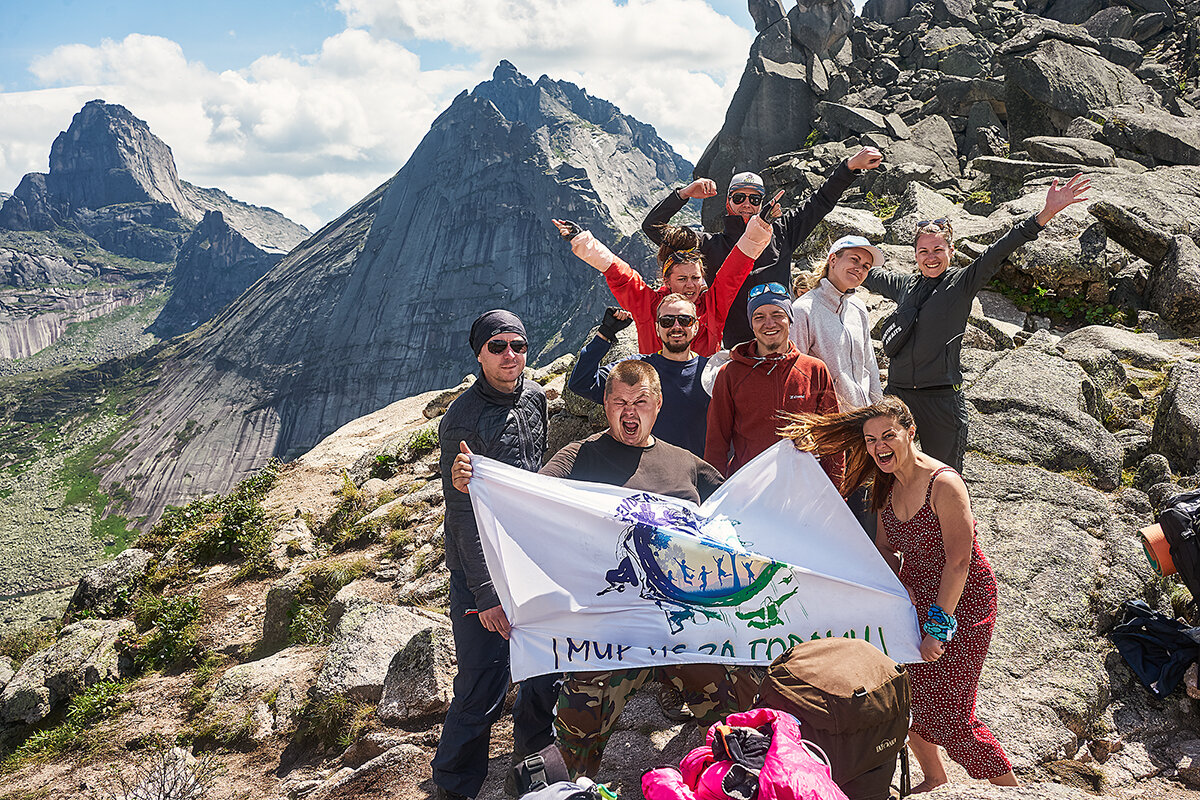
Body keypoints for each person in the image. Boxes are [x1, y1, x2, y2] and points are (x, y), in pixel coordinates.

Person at [452, 360, 757, 780]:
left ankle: (737, 782)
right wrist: (480, 481)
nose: (629, 412)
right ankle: (556, 786)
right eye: (619, 402)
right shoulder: (578, 456)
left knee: (737, 717)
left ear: (658, 404)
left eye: (640, 402)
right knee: (578, 726)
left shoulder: (686, 464)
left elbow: (740, 520)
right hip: (608, 632)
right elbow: (527, 502)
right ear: (605, 406)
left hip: (683, 628)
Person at [779, 397, 1018, 792]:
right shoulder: (887, 486)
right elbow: (887, 550)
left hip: (965, 599)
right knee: (904, 695)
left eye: (888, 435)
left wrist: (938, 630)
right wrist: (889, 593)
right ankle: (935, 776)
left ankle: (1014, 790)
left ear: (911, 432)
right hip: (915, 597)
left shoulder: (944, 483)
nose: (878, 446)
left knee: (953, 715)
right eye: (871, 439)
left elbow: (958, 562)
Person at [862, 174, 1090, 470]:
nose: (930, 257)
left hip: (941, 400)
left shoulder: (961, 282)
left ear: (950, 251)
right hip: (898, 396)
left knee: (943, 477)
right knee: (891, 476)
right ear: (915, 255)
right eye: (924, 251)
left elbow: (1000, 250)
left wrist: (1045, 213)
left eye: (937, 250)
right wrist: (839, 261)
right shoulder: (905, 286)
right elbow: (866, 272)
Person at [434, 310, 559, 800]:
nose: (510, 355)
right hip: (479, 570)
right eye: (498, 346)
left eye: (519, 345)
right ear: (479, 353)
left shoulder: (535, 398)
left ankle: (531, 775)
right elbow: (461, 511)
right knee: (482, 682)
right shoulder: (460, 419)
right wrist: (486, 595)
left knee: (540, 674)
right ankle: (454, 786)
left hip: (528, 559)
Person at [642, 147, 884, 348]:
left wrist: (849, 167)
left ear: (761, 204)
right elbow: (652, 227)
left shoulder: (782, 231)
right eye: (739, 198)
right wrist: (685, 193)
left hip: (783, 342)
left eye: (754, 199)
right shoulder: (709, 245)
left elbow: (820, 202)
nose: (747, 203)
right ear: (728, 203)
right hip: (736, 349)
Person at [553, 214, 771, 356]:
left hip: (701, 394)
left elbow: (733, 272)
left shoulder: (713, 304)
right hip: (656, 396)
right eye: (682, 279)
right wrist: (581, 240)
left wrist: (760, 228)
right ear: (666, 281)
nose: (691, 286)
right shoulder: (649, 304)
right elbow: (620, 273)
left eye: (695, 278)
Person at [792, 234, 886, 536]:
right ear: (833, 259)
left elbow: (870, 364)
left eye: (866, 266)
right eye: (854, 260)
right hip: (831, 428)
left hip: (866, 425)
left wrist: (879, 412)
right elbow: (798, 374)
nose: (860, 269)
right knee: (832, 510)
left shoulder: (858, 308)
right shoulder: (804, 309)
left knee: (867, 508)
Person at [704, 284, 841, 482]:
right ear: (751, 324)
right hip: (749, 489)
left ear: (790, 319)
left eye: (777, 314)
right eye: (759, 317)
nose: (769, 324)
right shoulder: (730, 374)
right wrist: (712, 492)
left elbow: (832, 438)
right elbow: (716, 443)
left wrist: (836, 493)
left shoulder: (814, 370)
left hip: (803, 488)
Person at [567, 298, 709, 456]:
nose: (676, 327)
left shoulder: (712, 373)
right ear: (657, 328)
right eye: (667, 321)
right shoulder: (637, 368)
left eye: (685, 320)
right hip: (641, 474)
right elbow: (581, 383)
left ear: (695, 327)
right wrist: (605, 334)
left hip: (695, 474)